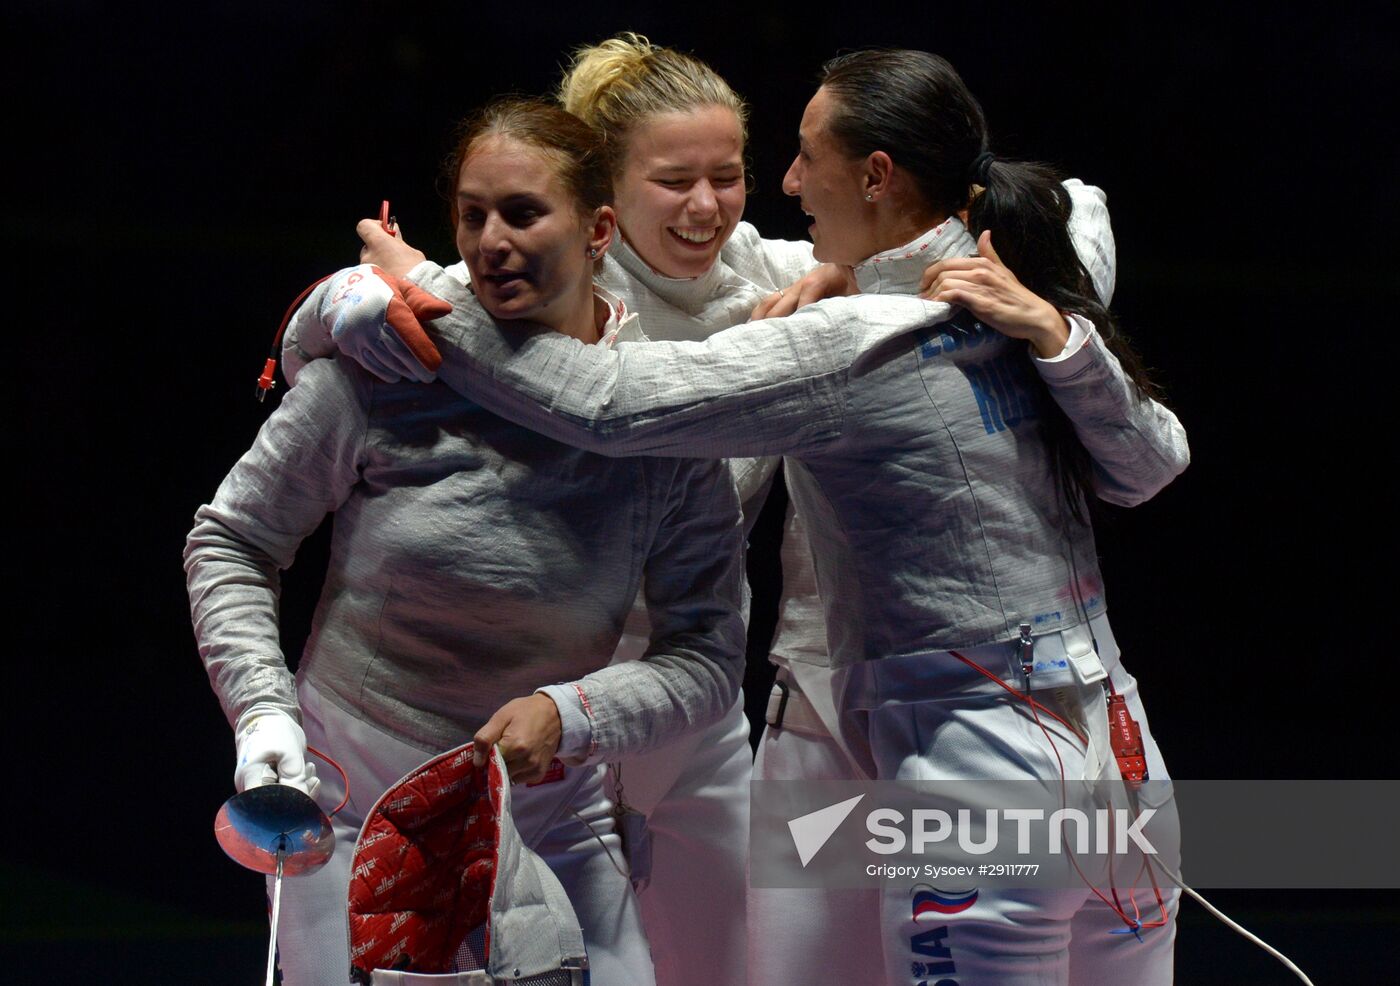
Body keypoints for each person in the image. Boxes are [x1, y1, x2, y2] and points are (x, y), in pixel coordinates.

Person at [301, 35, 1185, 986]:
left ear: (875, 173)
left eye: (739, 174)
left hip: (789, 709)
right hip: (618, 705)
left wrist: (1051, 322)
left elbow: (606, 405)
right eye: (676, 180)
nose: (748, 197)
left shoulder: (837, 307)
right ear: (600, 203)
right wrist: (345, 298)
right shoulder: (597, 278)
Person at [184, 97, 747, 986]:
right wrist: (261, 709)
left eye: (524, 214)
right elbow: (233, 540)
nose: (492, 242)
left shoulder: (656, 423)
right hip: (356, 798)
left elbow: (708, 653)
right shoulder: (386, 367)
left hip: (550, 812)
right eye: (472, 215)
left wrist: (574, 715)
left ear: (600, 228)